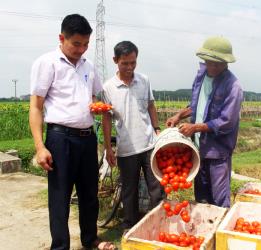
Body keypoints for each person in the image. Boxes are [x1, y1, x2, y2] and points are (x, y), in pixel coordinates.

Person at [29, 14, 115, 250]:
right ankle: (60, 246)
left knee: (89, 194)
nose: (82, 49)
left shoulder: (88, 66)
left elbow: (95, 96)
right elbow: (36, 107)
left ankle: (90, 239)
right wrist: (40, 146)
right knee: (60, 197)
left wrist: (98, 106)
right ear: (61, 38)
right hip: (60, 138)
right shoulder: (47, 63)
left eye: (86, 44)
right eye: (76, 43)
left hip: (87, 138)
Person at [166, 36, 243, 208]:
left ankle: (219, 233)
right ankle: (204, 231)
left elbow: (226, 121)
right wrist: (179, 115)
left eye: (218, 64)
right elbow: (197, 105)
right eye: (210, 62)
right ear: (204, 60)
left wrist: (195, 127)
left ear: (226, 63)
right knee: (201, 195)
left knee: (219, 198)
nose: (213, 67)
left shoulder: (233, 86)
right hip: (198, 147)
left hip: (218, 151)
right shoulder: (201, 76)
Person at [102, 41, 164, 229]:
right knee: (129, 189)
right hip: (126, 147)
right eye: (125, 63)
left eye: (133, 63)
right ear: (115, 61)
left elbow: (151, 105)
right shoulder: (108, 87)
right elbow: (106, 118)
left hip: (149, 144)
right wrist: (108, 148)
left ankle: (158, 222)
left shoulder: (144, 80)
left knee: (156, 187)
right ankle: (130, 224)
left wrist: (157, 128)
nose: (129, 67)